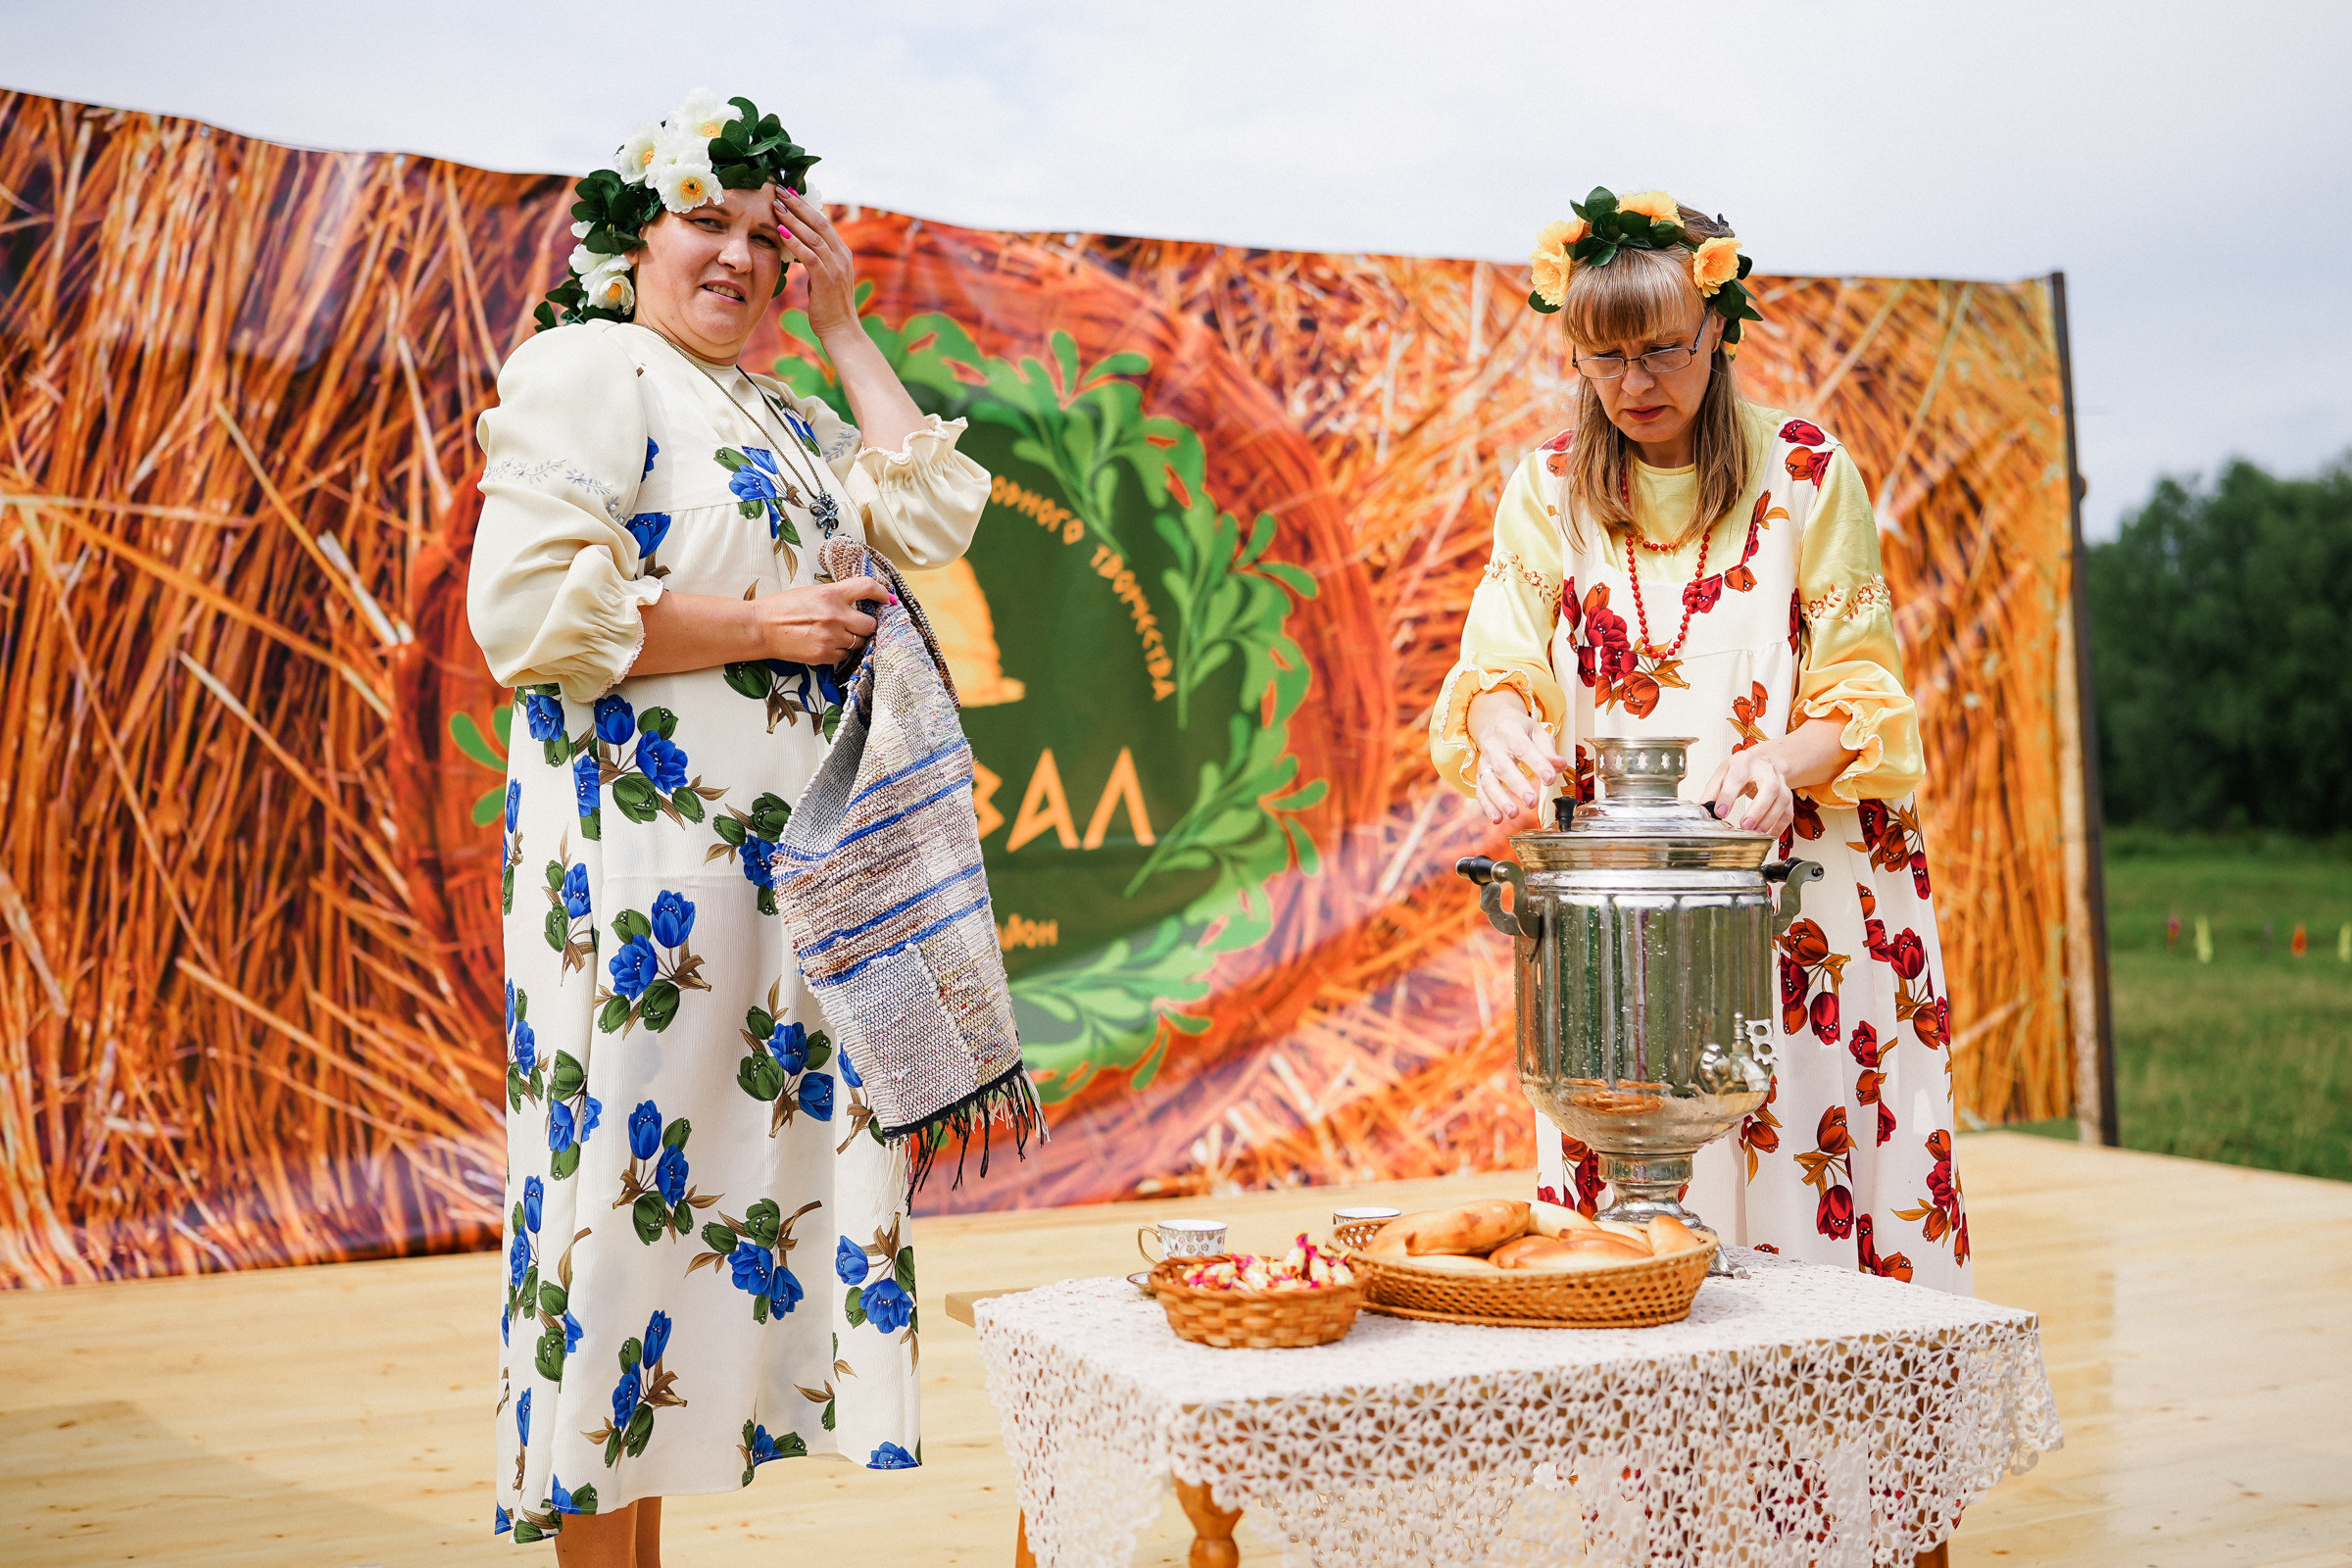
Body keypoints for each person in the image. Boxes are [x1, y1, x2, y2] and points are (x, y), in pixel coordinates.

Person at [469, 90, 989, 1562]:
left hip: (778, 897)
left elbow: (934, 516)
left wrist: (843, 328)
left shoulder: (782, 412)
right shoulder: (594, 366)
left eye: (771, 235)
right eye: (708, 221)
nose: (742, 258)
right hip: (646, 893)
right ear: (631, 239)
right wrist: (765, 624)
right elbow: (526, 614)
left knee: (708, 1225)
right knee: (623, 1221)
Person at [1430, 187, 1970, 1295]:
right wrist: (1499, 723)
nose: (1635, 384)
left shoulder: (1805, 472)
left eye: (1663, 350)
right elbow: (1497, 662)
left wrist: (1780, 762)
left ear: (1719, 326)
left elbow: (1862, 688)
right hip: (1622, 914)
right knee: (1624, 1199)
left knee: (1800, 1181)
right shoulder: (1547, 488)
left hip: (1792, 893)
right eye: (1605, 356)